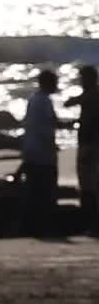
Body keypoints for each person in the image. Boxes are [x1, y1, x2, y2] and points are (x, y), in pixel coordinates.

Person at [19, 70, 63, 237]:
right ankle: (45, 227)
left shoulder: (33, 100)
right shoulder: (44, 101)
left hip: (31, 150)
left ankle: (33, 227)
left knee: (34, 191)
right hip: (43, 154)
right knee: (45, 191)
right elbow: (46, 128)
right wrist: (52, 147)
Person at [64, 65, 99, 234]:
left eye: (82, 79)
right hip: (89, 145)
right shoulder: (92, 95)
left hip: (90, 146)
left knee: (89, 187)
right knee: (91, 187)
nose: (81, 82)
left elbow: (70, 102)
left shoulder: (91, 95)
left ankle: (92, 225)